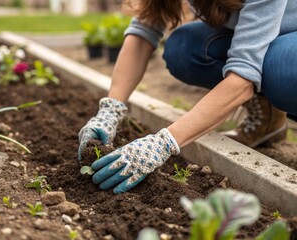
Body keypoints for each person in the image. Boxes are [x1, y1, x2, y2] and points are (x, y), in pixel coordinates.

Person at [78, 0, 297, 194]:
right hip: (268, 32)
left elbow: (242, 78)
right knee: (183, 48)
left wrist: (163, 143)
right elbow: (143, 29)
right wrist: (111, 109)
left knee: (277, 69)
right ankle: (269, 118)